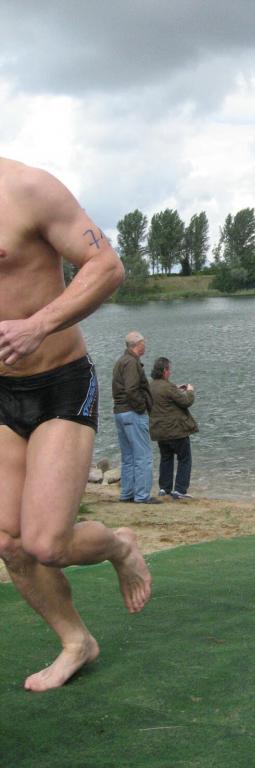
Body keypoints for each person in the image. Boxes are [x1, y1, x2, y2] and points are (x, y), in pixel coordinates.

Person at [0, 156, 151, 692]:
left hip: (58, 381)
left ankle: (120, 546)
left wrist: (38, 325)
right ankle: (76, 641)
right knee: (10, 542)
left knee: (47, 544)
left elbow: (106, 266)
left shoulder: (27, 189)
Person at [112, 332, 161, 504]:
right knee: (143, 456)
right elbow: (131, 389)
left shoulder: (121, 361)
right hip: (132, 413)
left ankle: (127, 493)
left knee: (128, 456)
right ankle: (142, 495)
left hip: (120, 412)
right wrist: (141, 408)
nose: (145, 345)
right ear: (137, 344)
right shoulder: (132, 363)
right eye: (143, 342)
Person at [149, 357, 198, 500]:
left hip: (160, 431)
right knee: (184, 458)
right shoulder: (168, 387)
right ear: (164, 371)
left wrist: (176, 389)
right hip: (176, 431)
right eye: (169, 369)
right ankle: (180, 490)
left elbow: (166, 395)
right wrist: (189, 390)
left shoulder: (151, 387)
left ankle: (164, 488)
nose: (170, 372)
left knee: (166, 458)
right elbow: (186, 401)